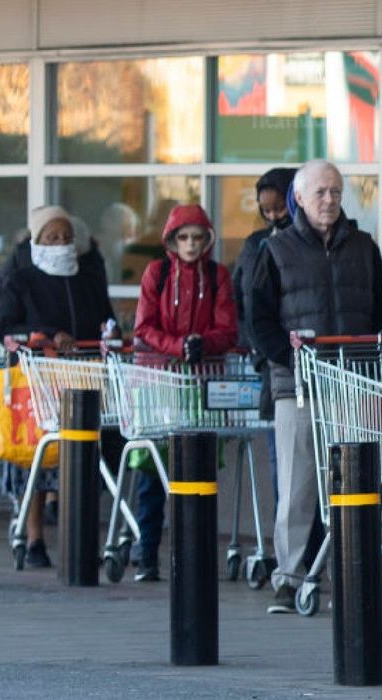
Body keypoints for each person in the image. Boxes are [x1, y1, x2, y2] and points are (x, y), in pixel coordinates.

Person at [250, 159, 382, 614]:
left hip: (354, 383)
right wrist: (286, 356)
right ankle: (289, 579)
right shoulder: (276, 251)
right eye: (320, 193)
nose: (329, 200)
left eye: (335, 192)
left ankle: (351, 575)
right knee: (296, 487)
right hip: (299, 387)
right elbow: (258, 319)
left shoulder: (364, 247)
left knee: (355, 483)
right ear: (300, 199)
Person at [0, 205, 121, 568]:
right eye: (53, 238)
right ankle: (33, 539)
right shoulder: (21, 280)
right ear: (37, 241)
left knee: (83, 462)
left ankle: (81, 540)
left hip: (84, 378)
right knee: (37, 461)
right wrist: (47, 337)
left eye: (67, 238)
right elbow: (3, 328)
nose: (62, 244)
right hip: (38, 381)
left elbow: (106, 319)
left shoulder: (88, 280)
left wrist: (110, 335)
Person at [131, 204, 237, 581]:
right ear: (172, 241)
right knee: (153, 472)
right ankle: (146, 552)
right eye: (184, 237)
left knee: (198, 471)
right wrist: (178, 346)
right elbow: (143, 326)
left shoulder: (217, 275)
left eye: (198, 237)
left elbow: (228, 327)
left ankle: (194, 554)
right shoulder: (156, 274)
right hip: (160, 381)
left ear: (207, 239)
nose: (191, 245)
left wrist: (201, 343)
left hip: (202, 381)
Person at [231, 167, 296, 509]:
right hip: (273, 366)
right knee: (280, 458)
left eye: (279, 209)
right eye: (266, 210)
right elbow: (242, 303)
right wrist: (259, 353)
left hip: (310, 361)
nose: (273, 216)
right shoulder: (256, 244)